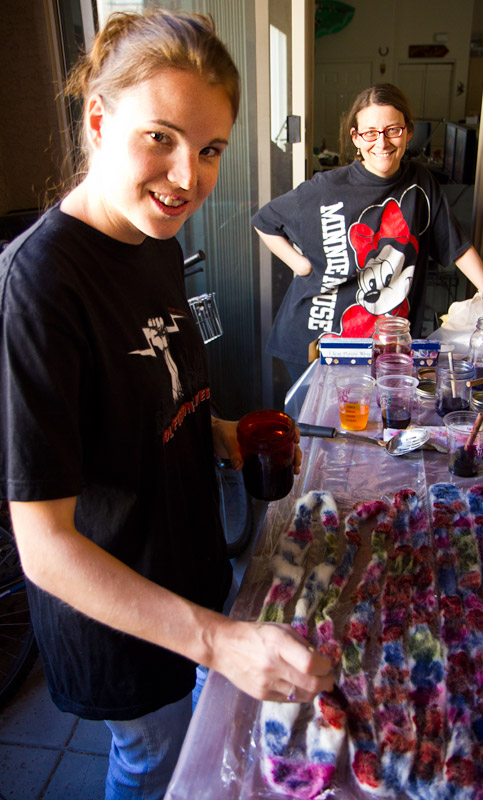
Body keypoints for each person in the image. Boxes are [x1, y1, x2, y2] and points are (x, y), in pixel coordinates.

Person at [0, 10, 333, 800]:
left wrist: (217, 432)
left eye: (211, 148)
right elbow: (43, 545)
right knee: (152, 762)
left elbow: (151, 396)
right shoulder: (39, 287)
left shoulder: (155, 241)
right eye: (161, 137)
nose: (189, 176)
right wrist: (219, 643)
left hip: (191, 568)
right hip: (121, 617)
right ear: (97, 119)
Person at [252, 83, 483, 384]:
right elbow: (264, 220)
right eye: (370, 132)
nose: (382, 142)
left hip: (383, 344)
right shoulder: (326, 188)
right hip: (316, 337)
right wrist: (301, 265)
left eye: (393, 130)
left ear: (408, 131)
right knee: (321, 427)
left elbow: (456, 245)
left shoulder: (421, 184)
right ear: (356, 137)